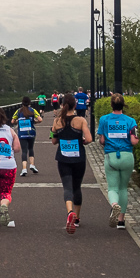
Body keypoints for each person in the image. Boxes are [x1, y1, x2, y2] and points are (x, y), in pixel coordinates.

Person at [51, 92, 93, 234]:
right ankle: (77, 217)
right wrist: (81, 141)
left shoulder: (57, 121)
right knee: (77, 187)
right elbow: (89, 139)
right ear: (75, 105)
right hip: (79, 158)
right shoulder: (81, 120)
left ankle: (70, 212)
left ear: (62, 105)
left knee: (67, 187)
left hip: (63, 158)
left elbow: (53, 140)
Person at [98, 93, 139, 230]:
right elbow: (134, 141)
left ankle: (114, 205)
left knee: (113, 188)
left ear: (111, 105)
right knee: (123, 188)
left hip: (111, 156)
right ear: (123, 105)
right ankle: (121, 220)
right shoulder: (130, 121)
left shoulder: (104, 120)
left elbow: (102, 140)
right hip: (127, 156)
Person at [11, 96, 42, 176]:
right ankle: (32, 164)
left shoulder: (18, 111)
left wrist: (17, 121)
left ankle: (24, 169)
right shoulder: (32, 110)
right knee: (31, 148)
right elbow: (40, 119)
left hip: (22, 133)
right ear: (29, 103)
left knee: (24, 150)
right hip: (31, 132)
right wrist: (35, 122)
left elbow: (12, 121)